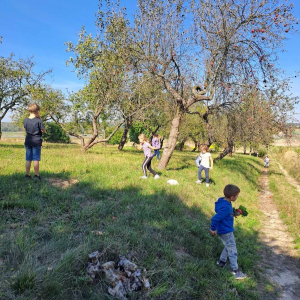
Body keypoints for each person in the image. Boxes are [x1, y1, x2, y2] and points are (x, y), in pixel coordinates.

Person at [210, 184, 247, 280]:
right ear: (232, 197)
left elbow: (225, 214)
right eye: (237, 196)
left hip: (225, 230)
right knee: (232, 249)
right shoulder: (226, 207)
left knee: (228, 246)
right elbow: (215, 218)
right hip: (226, 231)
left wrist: (234, 213)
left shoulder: (223, 202)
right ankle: (235, 270)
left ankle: (221, 262)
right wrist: (213, 229)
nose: (237, 197)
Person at [23, 103, 46, 180]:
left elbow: (26, 128)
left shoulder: (25, 120)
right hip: (36, 141)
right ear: (37, 111)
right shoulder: (38, 121)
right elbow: (43, 130)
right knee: (36, 159)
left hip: (28, 141)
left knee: (28, 158)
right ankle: (36, 175)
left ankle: (27, 175)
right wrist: (40, 120)